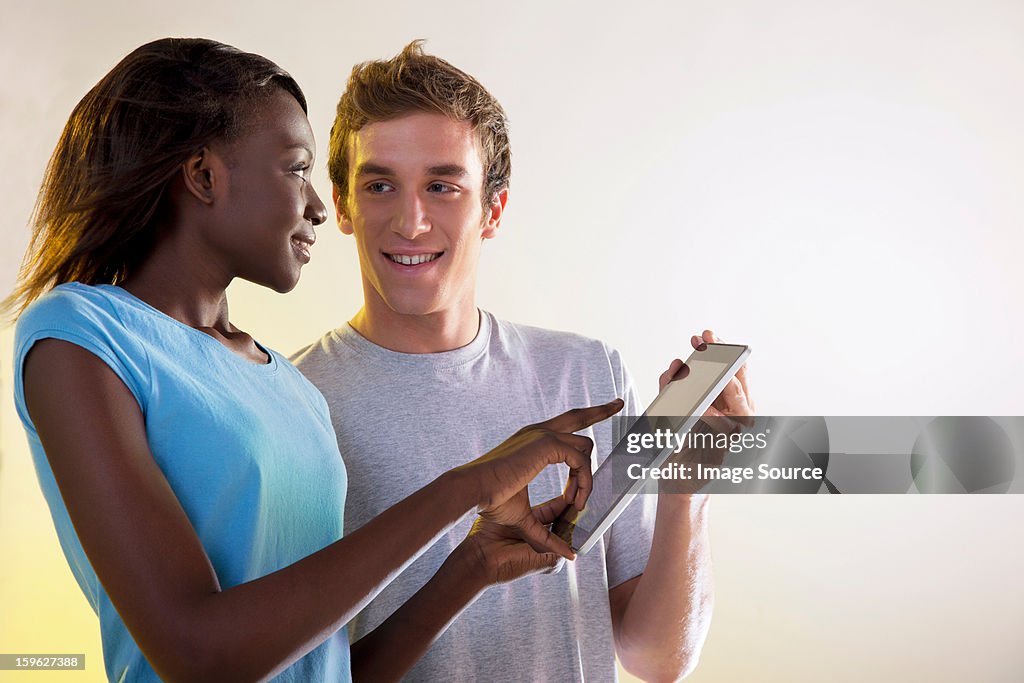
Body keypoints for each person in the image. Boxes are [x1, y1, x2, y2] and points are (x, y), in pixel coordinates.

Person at [6, 37, 623, 683]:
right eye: (296, 168)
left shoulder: (289, 386)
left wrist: (473, 564)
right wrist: (468, 484)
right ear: (204, 175)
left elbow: (323, 668)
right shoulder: (82, 336)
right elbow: (198, 655)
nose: (321, 208)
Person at [292, 41, 755, 682]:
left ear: (494, 210)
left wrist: (687, 495)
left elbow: (656, 659)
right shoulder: (294, 400)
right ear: (342, 204)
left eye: (443, 185)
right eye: (379, 185)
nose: (411, 220)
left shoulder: (586, 375)